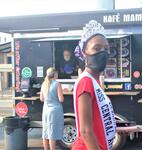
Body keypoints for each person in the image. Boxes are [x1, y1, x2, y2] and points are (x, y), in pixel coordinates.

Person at [72, 20, 116, 150]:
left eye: (106, 49)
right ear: (84, 52)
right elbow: (85, 131)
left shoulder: (94, 81)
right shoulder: (86, 82)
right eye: (97, 48)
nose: (103, 52)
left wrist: (125, 129)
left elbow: (99, 121)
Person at [40, 67, 64, 150]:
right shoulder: (57, 84)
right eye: (56, 73)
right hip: (54, 110)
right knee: (52, 132)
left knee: (45, 130)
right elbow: (61, 99)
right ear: (54, 74)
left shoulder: (44, 84)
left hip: (46, 109)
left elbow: (42, 99)